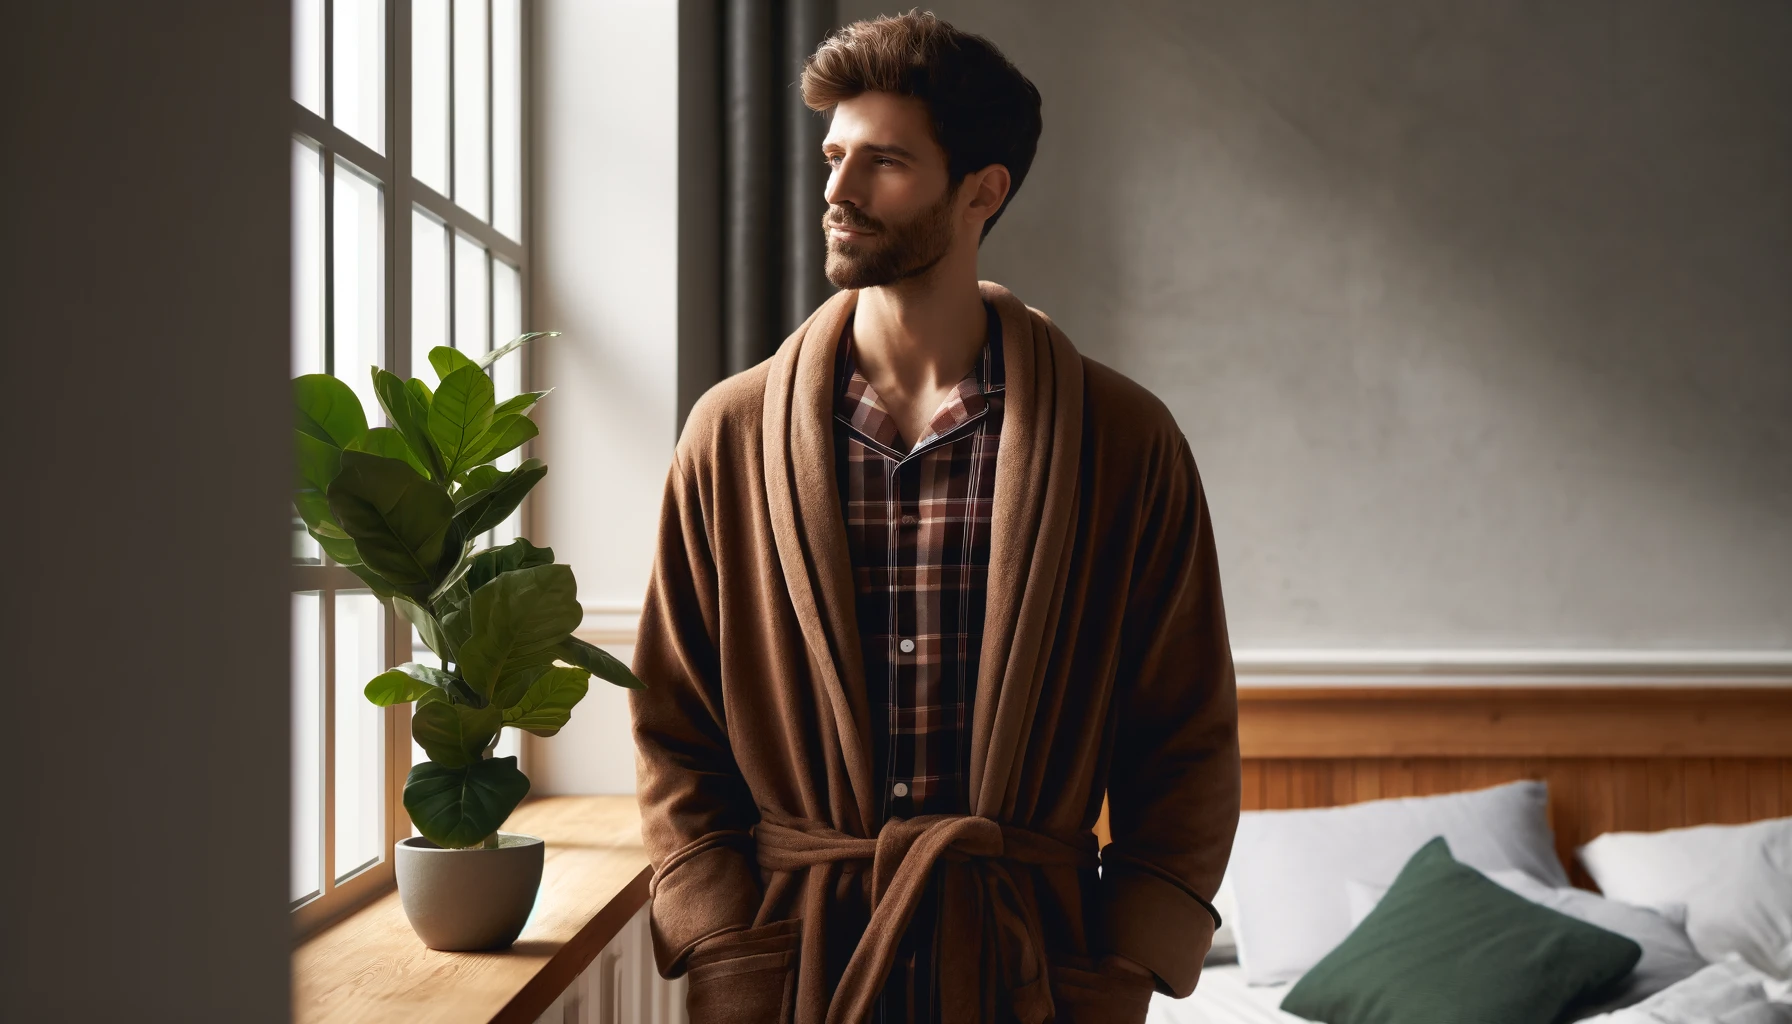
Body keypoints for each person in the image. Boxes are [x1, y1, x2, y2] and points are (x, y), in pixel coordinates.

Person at [628, 11, 1240, 1024]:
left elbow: (1181, 740)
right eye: (832, 154)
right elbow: (673, 722)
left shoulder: (1122, 440)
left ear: (980, 191)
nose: (837, 189)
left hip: (1030, 967)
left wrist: (1124, 962)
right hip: (795, 962)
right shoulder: (728, 435)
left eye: (885, 162)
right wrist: (722, 936)